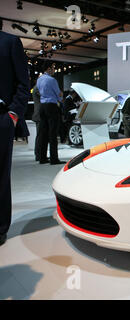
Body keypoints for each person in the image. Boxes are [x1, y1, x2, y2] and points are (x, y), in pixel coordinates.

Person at [0, 29, 30, 246]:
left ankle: (0, 227)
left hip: (1, 117)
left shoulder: (10, 42)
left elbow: (23, 82)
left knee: (0, 175)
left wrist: (13, 114)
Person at [36, 61, 65, 165]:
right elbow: (59, 94)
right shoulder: (52, 80)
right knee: (53, 133)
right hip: (51, 106)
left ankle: (42, 158)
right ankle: (54, 159)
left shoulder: (39, 80)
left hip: (42, 106)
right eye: (53, 68)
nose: (54, 70)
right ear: (48, 69)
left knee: (43, 132)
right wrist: (61, 96)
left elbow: (38, 92)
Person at [32, 84, 43, 161]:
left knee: (41, 136)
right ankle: (38, 155)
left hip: (40, 114)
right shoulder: (37, 88)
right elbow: (44, 95)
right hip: (39, 114)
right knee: (40, 136)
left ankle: (40, 155)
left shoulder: (37, 88)